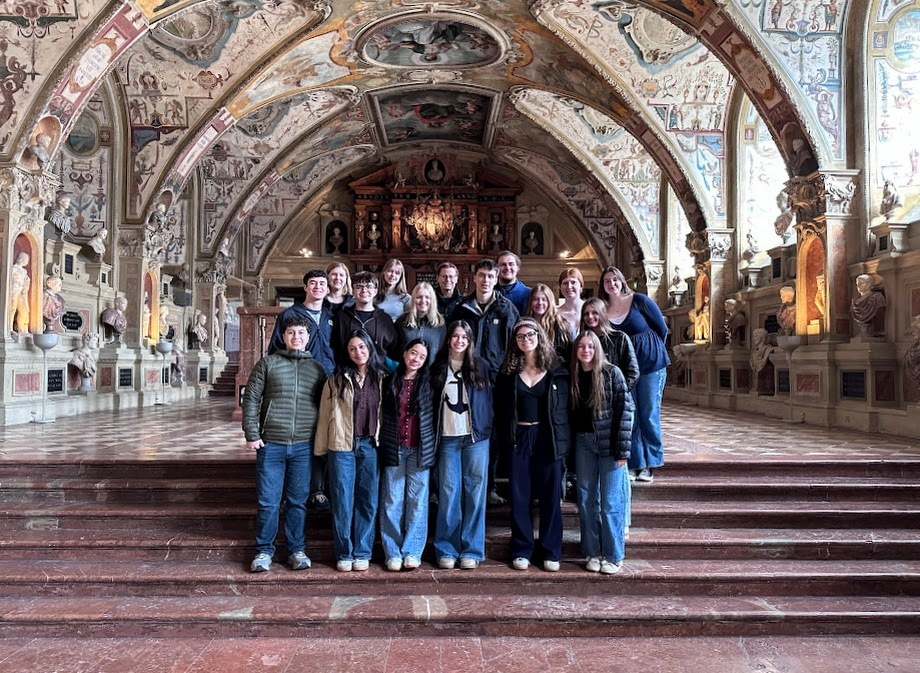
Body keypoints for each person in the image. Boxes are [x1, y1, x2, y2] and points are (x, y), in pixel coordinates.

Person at [242, 316, 326, 573]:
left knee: (298, 501)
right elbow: (251, 400)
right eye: (292, 332)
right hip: (272, 444)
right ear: (284, 336)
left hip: (303, 445)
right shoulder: (268, 364)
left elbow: (326, 406)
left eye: (301, 332)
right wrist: (252, 433)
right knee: (268, 501)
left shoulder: (318, 369)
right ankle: (264, 551)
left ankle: (296, 550)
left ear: (308, 337)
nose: (297, 337)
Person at [494, 318, 570, 572]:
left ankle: (551, 550)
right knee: (520, 496)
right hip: (519, 438)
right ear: (514, 342)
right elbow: (500, 410)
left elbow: (565, 409)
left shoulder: (557, 369)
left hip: (547, 438)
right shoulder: (507, 373)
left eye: (530, 334)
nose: (525, 339)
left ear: (539, 336)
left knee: (550, 496)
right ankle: (522, 549)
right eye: (520, 336)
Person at [450, 259, 519, 505]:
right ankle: (464, 487)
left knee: (495, 435)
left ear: (496, 278)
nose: (486, 280)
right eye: (482, 275)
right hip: (467, 381)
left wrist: (506, 372)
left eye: (491, 276)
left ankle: (489, 487)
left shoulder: (506, 309)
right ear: (475, 277)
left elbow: (515, 346)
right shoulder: (461, 309)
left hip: (498, 383)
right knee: (468, 433)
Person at [315, 329, 385, 572]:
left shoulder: (382, 377)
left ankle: (363, 551)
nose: (358, 352)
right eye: (353, 348)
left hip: (370, 446)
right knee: (343, 500)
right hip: (341, 446)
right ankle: (344, 552)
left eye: (362, 347)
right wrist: (321, 449)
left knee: (367, 500)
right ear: (347, 352)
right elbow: (324, 417)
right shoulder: (335, 380)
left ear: (370, 348)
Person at [267, 269, 335, 512]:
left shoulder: (331, 315)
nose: (318, 287)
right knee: (298, 436)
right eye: (313, 283)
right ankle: (292, 491)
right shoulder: (290, 315)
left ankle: (317, 489)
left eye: (322, 284)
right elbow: (275, 349)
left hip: (328, 384)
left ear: (328, 289)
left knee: (322, 437)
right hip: (298, 384)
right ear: (305, 287)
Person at [570, 330, 635, 575]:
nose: (586, 350)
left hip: (609, 446)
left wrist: (622, 451)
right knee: (586, 500)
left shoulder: (611, 373)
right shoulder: (574, 375)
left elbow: (625, 413)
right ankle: (592, 550)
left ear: (597, 349)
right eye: (581, 347)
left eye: (590, 346)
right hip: (583, 443)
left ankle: (613, 554)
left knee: (610, 502)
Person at [431, 320, 494, 569]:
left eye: (464, 337)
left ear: (470, 341)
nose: (459, 341)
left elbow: (490, 401)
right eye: (455, 336)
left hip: (475, 439)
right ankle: (446, 548)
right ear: (448, 339)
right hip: (447, 438)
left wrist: (486, 427)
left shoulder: (481, 367)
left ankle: (472, 549)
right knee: (449, 493)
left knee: (475, 494)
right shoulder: (437, 368)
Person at [601, 266, 669, 483]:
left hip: (651, 364)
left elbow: (661, 328)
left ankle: (651, 463)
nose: (612, 284)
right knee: (630, 416)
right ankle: (636, 463)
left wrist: (651, 349)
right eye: (607, 281)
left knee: (648, 413)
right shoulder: (603, 309)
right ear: (603, 286)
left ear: (622, 281)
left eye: (615, 280)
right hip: (626, 369)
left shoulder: (639, 300)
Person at [378, 339, 435, 571]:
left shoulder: (430, 383)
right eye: (413, 353)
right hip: (394, 446)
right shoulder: (390, 380)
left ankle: (412, 551)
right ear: (404, 354)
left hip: (420, 449)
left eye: (421, 357)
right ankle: (392, 551)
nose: (416, 359)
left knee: (417, 502)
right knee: (392, 500)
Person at [333, 271, 399, 371]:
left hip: (379, 375)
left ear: (375, 291)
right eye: (359, 286)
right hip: (347, 374)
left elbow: (393, 350)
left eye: (369, 286)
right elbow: (335, 347)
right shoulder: (341, 317)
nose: (364, 290)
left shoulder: (385, 319)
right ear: (353, 291)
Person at [580, 298, 640, 391]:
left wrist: (618, 393)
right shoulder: (582, 341)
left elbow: (633, 372)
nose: (590, 317)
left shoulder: (620, 338)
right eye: (586, 314)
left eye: (595, 312)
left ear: (602, 313)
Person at [396, 281, 446, 361]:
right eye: (419, 297)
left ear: (432, 300)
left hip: (431, 372)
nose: (423, 301)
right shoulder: (402, 321)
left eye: (427, 297)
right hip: (406, 371)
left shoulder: (440, 323)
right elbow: (396, 351)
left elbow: (442, 353)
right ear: (413, 299)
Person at [526, 283, 571, 360]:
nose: (540, 303)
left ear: (550, 302)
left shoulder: (562, 325)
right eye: (535, 299)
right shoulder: (525, 325)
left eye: (544, 299)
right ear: (530, 302)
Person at [496, 251, 531, 315]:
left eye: (511, 264)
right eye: (503, 264)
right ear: (496, 269)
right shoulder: (488, 292)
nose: (507, 268)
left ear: (517, 268)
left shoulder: (529, 294)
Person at [557, 268, 585, 339]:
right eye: (565, 283)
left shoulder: (591, 309)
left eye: (573, 282)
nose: (569, 287)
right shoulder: (555, 314)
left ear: (581, 285)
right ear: (560, 287)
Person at [9, 252, 30, 333]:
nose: (27, 262)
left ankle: (22, 329)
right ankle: (9, 328)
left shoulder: (24, 271)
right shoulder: (13, 268)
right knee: (12, 309)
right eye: (26, 260)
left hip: (22, 292)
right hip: (13, 291)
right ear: (22, 259)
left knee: (24, 310)